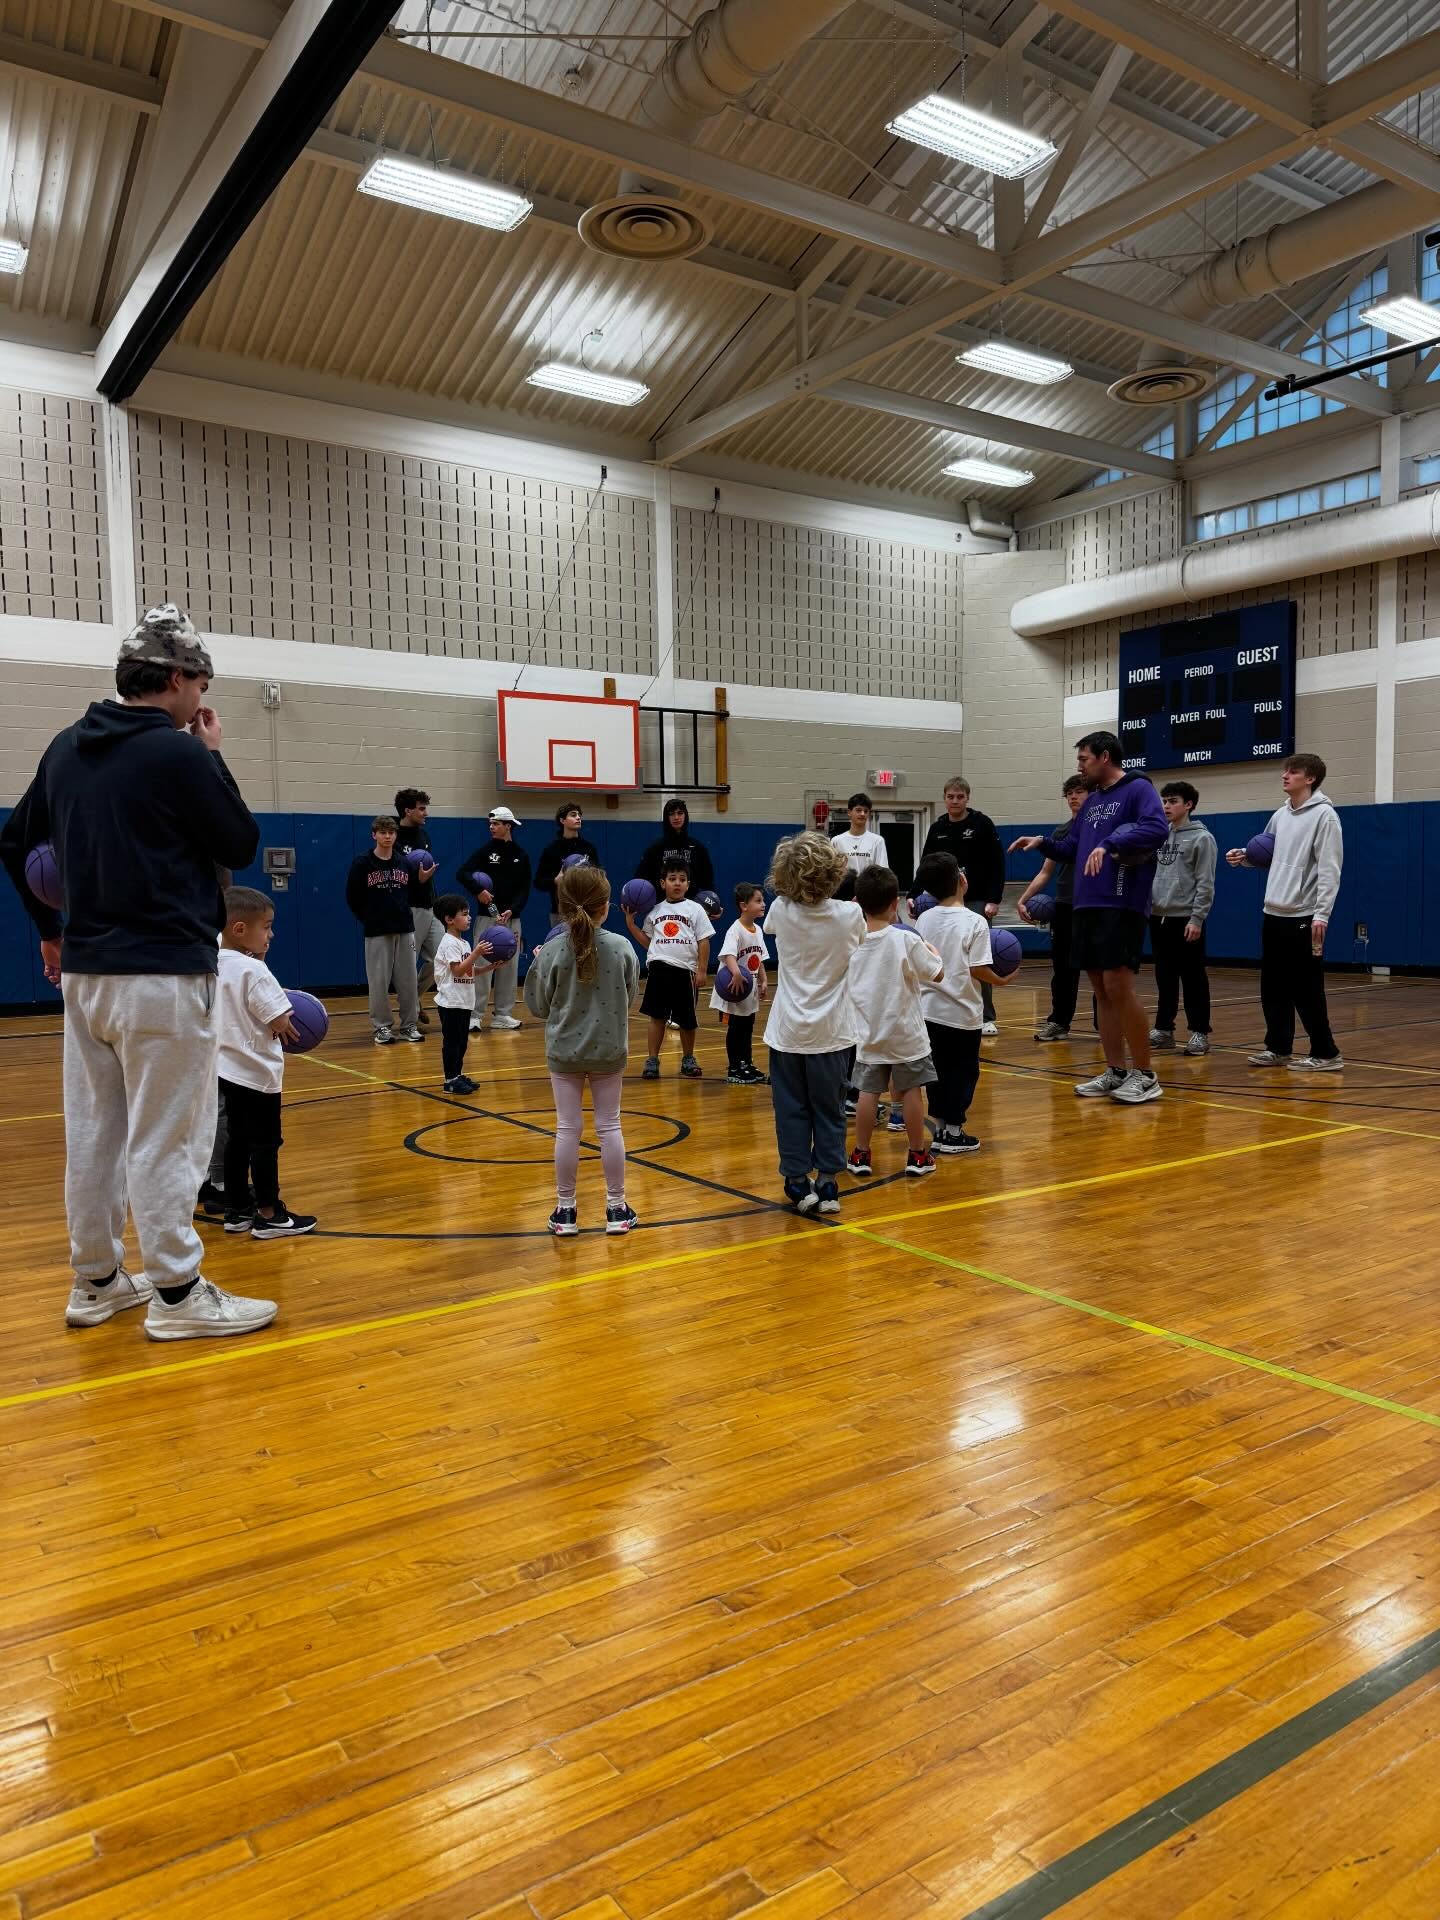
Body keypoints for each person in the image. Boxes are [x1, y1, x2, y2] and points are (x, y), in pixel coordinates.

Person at [0, 604, 275, 1339]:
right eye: (202, 683)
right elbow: (239, 842)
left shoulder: (65, 748)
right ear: (178, 678)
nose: (202, 698)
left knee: (95, 1133)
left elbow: (11, 842)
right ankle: (178, 1295)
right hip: (163, 976)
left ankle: (95, 1281)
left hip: (88, 979)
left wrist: (49, 935)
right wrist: (213, 755)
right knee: (168, 1136)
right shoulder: (178, 753)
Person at [1010, 731, 1168, 1105]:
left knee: (1118, 987)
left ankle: (1145, 1075)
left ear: (1105, 756)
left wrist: (1110, 844)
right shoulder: (1093, 801)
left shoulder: (1137, 787)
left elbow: (1156, 828)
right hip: (1086, 905)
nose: (1079, 766)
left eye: (1084, 758)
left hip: (1121, 903)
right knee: (1099, 990)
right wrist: (1043, 843)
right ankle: (1115, 1070)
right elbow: (1072, 847)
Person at [524, 863, 641, 1236]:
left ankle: (566, 1211)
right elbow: (631, 995)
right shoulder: (622, 947)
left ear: (562, 905)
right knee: (610, 1126)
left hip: (565, 1052)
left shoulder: (552, 951)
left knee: (567, 1128)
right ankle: (617, 1209)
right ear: (605, 907)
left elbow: (538, 1007)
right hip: (609, 1048)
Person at [762, 830, 865, 1216]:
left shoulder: (781, 912)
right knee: (830, 1109)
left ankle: (795, 1180)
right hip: (833, 1035)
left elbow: (776, 919)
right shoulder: (850, 915)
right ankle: (828, 1182)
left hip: (787, 1033)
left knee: (791, 1109)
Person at [1227, 752, 1344, 1072]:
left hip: (1305, 916)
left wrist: (1322, 914)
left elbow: (1330, 871)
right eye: (1285, 771)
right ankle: (1278, 1047)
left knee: (1306, 988)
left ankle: (1326, 1052)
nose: (1285, 775)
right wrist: (1245, 857)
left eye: (1293, 772)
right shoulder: (1280, 815)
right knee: (1273, 986)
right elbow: (1268, 853)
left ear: (1310, 779)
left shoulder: (1325, 817)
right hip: (1273, 912)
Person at [215, 886, 317, 1240]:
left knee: (237, 1141)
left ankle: (237, 1210)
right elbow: (280, 1020)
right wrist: (293, 1017)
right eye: (267, 927)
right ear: (241, 929)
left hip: (225, 1068)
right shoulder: (254, 972)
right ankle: (270, 1215)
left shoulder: (212, 957)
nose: (271, 935)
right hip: (257, 1072)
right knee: (266, 1143)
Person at [846, 865, 944, 1180]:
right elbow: (937, 973)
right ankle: (917, 1154)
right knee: (912, 1090)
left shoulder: (851, 942)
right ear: (894, 905)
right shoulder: (905, 939)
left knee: (867, 1092)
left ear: (858, 902)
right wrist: (934, 951)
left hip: (869, 1031)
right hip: (907, 1033)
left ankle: (861, 1152)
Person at [914, 851, 1006, 1153]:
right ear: (961, 880)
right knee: (963, 1073)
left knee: (937, 1072)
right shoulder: (975, 921)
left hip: (928, 1012)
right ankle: (954, 1132)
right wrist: (1002, 980)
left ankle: (940, 1128)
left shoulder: (924, 918)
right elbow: (977, 969)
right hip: (962, 1013)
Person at [920, 777, 1006, 1034]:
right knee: (941, 954)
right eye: (950, 797)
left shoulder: (982, 824)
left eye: (960, 796)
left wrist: (994, 899)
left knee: (979, 959)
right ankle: (936, 1008)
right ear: (944, 798)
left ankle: (986, 1016)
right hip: (943, 899)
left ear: (967, 798)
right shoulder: (937, 828)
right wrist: (915, 894)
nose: (955, 801)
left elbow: (997, 863)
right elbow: (926, 864)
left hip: (977, 899)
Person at [624, 857, 710, 1079]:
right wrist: (631, 925)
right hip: (659, 970)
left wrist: (701, 970)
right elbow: (648, 942)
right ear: (663, 883)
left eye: (682, 879)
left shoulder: (696, 909)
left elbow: (703, 941)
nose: (677, 883)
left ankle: (688, 1058)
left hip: (685, 971)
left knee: (687, 1020)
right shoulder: (654, 911)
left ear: (688, 884)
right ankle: (652, 1059)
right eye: (672, 879)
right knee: (656, 1017)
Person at [1017, 774, 1087, 1042]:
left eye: (1079, 791)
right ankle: (1059, 1022)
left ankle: (1104, 1024)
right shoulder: (1060, 832)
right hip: (1065, 907)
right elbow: (1046, 873)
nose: (1073, 797)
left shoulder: (1099, 829)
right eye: (1069, 792)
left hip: (1093, 906)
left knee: (1101, 970)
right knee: (1063, 970)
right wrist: (1023, 899)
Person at [1149, 781, 1217, 1057]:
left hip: (1185, 919)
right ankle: (1164, 1030)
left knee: (1193, 978)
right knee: (1164, 977)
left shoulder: (1202, 838)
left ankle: (1199, 1032)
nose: (1166, 806)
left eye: (1172, 801)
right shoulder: (1158, 835)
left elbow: (1205, 883)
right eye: (1164, 801)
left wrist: (1197, 918)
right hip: (1158, 917)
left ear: (1188, 804)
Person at [346, 815, 421, 1045]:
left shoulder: (404, 862)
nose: (387, 836)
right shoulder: (362, 863)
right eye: (383, 832)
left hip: (405, 928)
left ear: (395, 835)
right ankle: (382, 1027)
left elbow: (411, 894)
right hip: (377, 930)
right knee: (378, 981)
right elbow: (352, 897)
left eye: (391, 832)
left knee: (408, 981)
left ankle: (409, 1025)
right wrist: (369, 919)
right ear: (374, 835)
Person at [456, 806, 530, 1032]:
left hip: (511, 920)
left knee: (508, 966)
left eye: (496, 823)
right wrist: (478, 890)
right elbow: (463, 873)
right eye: (490, 824)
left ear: (508, 826)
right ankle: (475, 1015)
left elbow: (524, 889)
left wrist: (513, 909)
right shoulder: (485, 852)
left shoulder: (521, 854)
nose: (491, 827)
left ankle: (503, 1015)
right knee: (481, 964)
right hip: (487, 918)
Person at [433, 892, 499, 1094]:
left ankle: (458, 1075)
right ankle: (449, 1081)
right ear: (450, 920)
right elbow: (458, 970)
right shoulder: (449, 942)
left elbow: (469, 971)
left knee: (461, 1043)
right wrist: (477, 954)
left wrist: (490, 967)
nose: (469, 917)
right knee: (452, 1043)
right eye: (464, 913)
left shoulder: (464, 943)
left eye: (469, 913)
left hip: (463, 1002)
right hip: (451, 1003)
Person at [712, 882, 769, 1086]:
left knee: (747, 1027)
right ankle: (735, 1067)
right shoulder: (735, 930)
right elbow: (728, 955)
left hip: (749, 988)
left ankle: (747, 1063)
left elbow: (759, 958)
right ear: (744, 906)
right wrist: (735, 973)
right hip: (734, 989)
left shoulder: (758, 930)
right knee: (736, 1028)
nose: (763, 904)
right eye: (758, 901)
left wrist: (763, 979)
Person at [393, 788, 440, 1027]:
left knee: (442, 956)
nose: (425, 813)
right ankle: (408, 1015)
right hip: (409, 908)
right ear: (407, 810)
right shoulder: (394, 837)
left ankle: (417, 998)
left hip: (429, 907)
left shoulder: (424, 836)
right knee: (407, 965)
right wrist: (414, 879)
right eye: (421, 808)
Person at [535, 801, 601, 924]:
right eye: (573, 815)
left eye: (579, 815)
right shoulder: (552, 849)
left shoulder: (589, 848)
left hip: (586, 910)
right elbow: (539, 882)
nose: (578, 818)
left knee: (585, 944)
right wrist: (555, 881)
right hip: (560, 912)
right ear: (562, 820)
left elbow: (599, 877)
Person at [636, 797, 714, 894]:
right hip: (662, 904)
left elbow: (708, 883)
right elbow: (641, 880)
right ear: (666, 817)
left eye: (680, 813)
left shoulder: (698, 848)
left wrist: (711, 904)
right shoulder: (655, 849)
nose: (676, 817)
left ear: (686, 816)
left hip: (691, 905)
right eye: (671, 814)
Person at [830, 793, 888, 876]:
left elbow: (883, 872)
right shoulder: (836, 841)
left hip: (868, 888)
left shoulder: (878, 841)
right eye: (858, 810)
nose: (862, 814)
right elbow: (832, 871)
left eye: (866, 811)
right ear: (849, 812)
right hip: (844, 888)